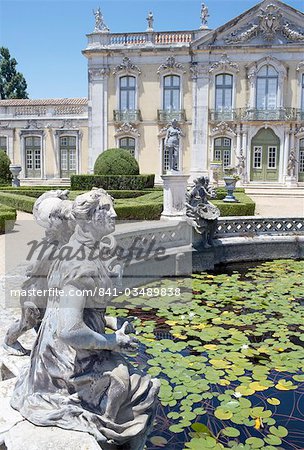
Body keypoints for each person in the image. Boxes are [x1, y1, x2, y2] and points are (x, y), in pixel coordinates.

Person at [11, 188, 160, 448]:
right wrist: (112, 340)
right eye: (106, 209)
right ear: (89, 219)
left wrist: (107, 321)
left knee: (129, 382)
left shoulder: (79, 249)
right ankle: (114, 429)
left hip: (59, 343)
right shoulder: (81, 264)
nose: (114, 213)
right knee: (140, 389)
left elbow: (78, 307)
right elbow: (70, 331)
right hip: (65, 357)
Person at [3, 190, 74, 356]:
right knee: (26, 323)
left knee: (43, 322)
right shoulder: (50, 250)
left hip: (46, 292)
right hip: (34, 295)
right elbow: (36, 270)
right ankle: (8, 341)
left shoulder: (60, 246)